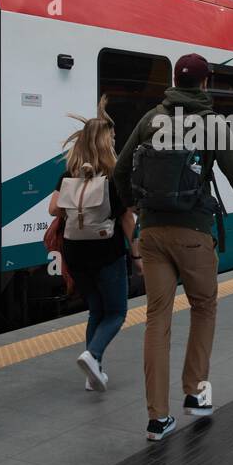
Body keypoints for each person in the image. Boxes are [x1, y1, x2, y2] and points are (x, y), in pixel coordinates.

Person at [113, 53, 233, 442]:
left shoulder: (151, 119)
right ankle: (196, 394)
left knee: (158, 318)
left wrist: (137, 208)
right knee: (203, 307)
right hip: (193, 233)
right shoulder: (213, 124)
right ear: (205, 84)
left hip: (152, 234)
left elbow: (121, 171)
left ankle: (157, 419)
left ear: (175, 80)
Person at [48, 96, 139, 392]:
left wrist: (77, 204)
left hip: (75, 252)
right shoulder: (114, 178)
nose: (115, 141)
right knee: (116, 313)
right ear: (105, 143)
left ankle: (93, 375)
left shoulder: (69, 175)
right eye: (112, 138)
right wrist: (136, 253)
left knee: (96, 311)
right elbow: (126, 219)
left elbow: (53, 209)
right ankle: (93, 355)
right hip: (106, 252)